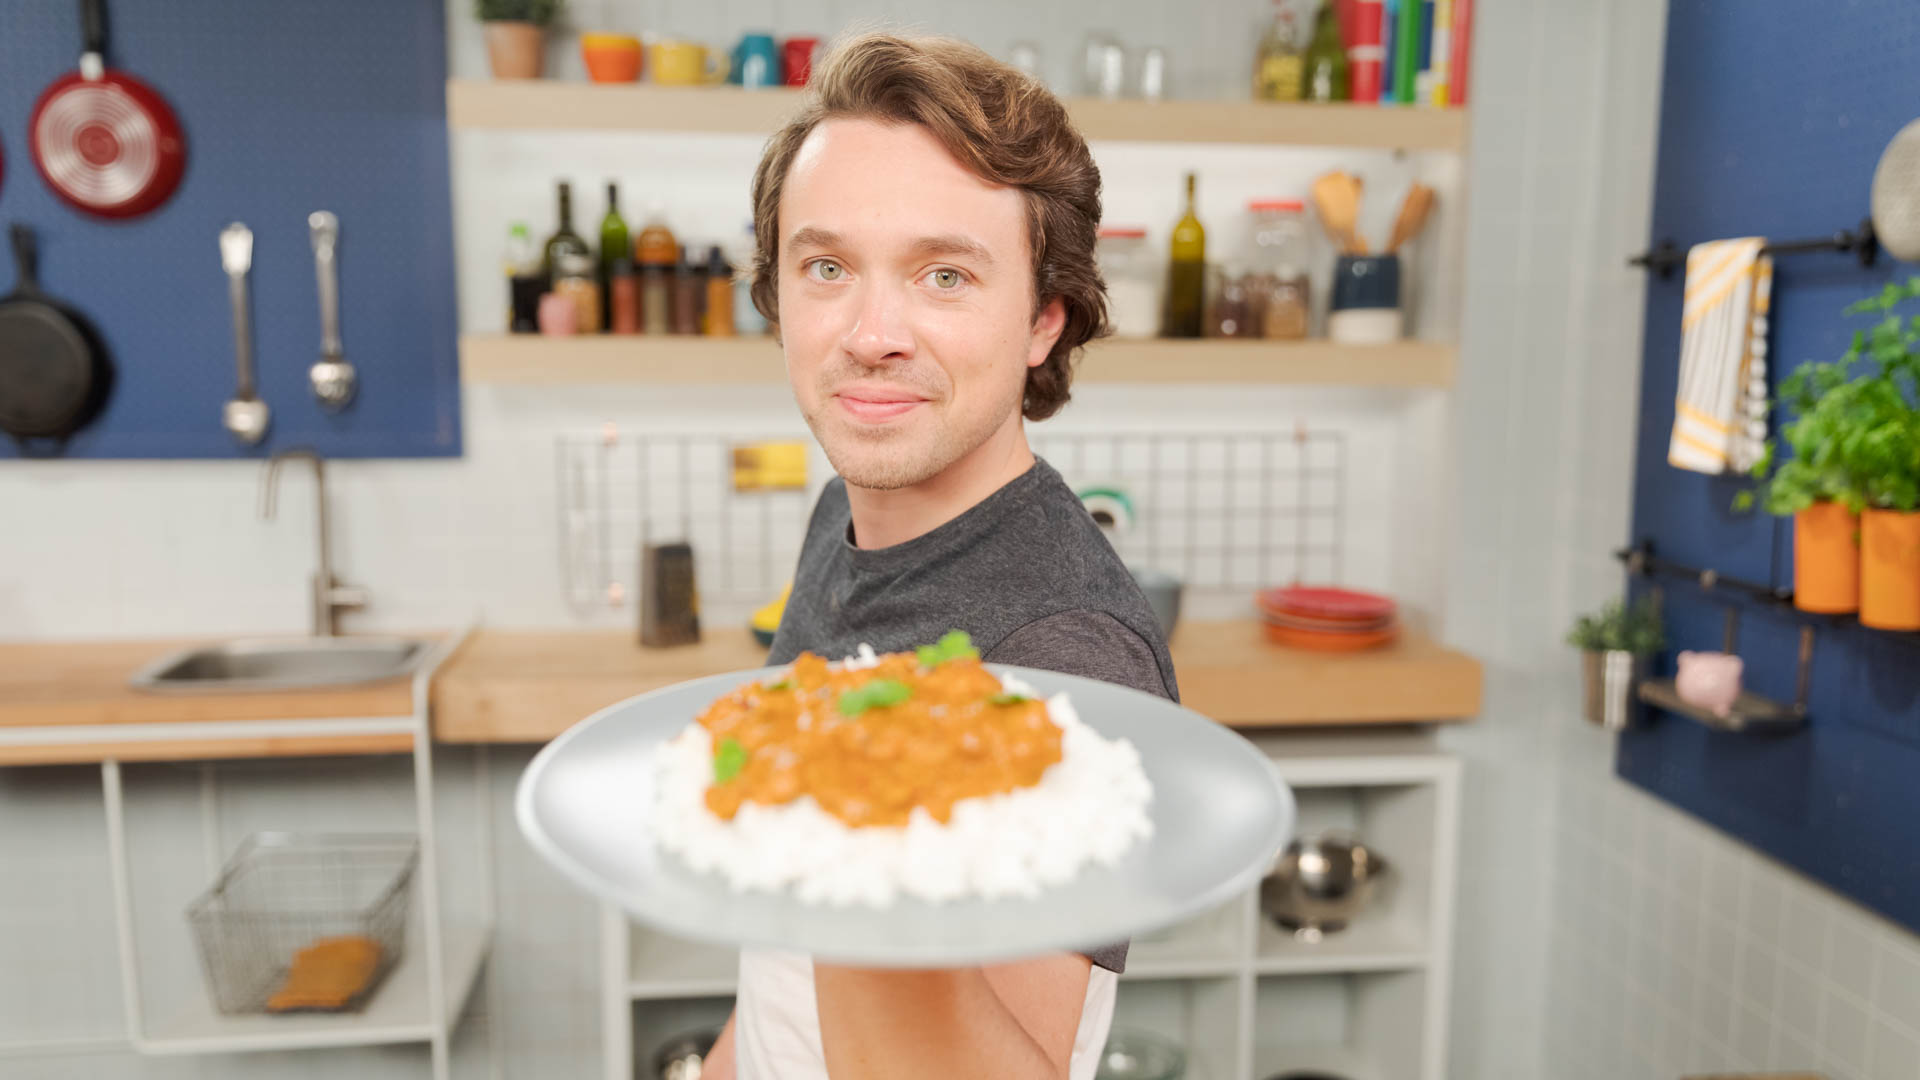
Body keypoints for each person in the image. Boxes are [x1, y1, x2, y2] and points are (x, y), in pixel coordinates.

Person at [698, 30, 1179, 1080]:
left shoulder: (1063, 654)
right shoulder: (845, 512)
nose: (872, 332)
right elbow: (780, 979)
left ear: (1044, 319)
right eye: (827, 266)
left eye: (945, 276)